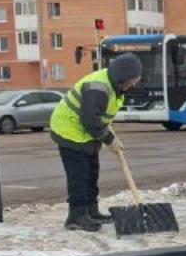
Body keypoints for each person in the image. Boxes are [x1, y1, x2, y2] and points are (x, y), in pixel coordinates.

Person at [49, 53, 143, 231]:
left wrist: (110, 134)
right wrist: (109, 140)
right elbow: (91, 120)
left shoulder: (115, 87)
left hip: (86, 133)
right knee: (79, 175)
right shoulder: (98, 88)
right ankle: (76, 216)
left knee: (92, 172)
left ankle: (91, 211)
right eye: (133, 80)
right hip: (69, 131)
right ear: (123, 78)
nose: (135, 84)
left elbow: (101, 115)